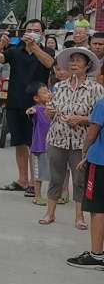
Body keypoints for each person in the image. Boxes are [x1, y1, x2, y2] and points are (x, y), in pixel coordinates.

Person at [0, 19, 56, 196]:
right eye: (29, 30)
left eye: (36, 30)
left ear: (42, 34)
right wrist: (1, 44)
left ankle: (36, 183)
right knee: (19, 144)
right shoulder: (15, 51)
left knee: (34, 145)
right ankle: (23, 179)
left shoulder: (46, 50)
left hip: (38, 106)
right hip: (15, 102)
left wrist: (34, 46)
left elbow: (49, 63)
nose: (32, 32)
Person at [40, 47, 104, 228]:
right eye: (72, 60)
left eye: (78, 61)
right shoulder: (59, 87)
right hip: (57, 139)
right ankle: (49, 213)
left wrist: (83, 119)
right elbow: (49, 114)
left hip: (81, 142)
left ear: (87, 65)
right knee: (55, 178)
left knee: (80, 180)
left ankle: (79, 216)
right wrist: (49, 112)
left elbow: (100, 116)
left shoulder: (96, 89)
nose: (74, 64)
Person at [69, 93, 104, 268]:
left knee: (97, 208)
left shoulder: (102, 104)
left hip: (100, 162)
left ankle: (97, 255)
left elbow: (91, 135)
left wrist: (85, 152)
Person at [26, 83, 51, 208]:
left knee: (56, 171)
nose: (49, 94)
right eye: (45, 92)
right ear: (36, 98)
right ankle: (37, 196)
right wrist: (31, 111)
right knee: (38, 173)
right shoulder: (36, 109)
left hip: (52, 146)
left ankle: (61, 193)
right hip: (39, 146)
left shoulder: (52, 109)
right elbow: (32, 111)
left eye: (48, 91)